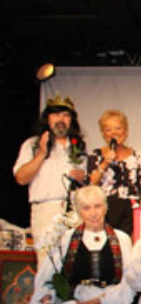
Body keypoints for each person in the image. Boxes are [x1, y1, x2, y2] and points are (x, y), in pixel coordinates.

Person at [13, 95, 87, 264]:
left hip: (75, 211)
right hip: (46, 210)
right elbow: (21, 178)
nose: (61, 120)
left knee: (75, 263)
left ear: (71, 120)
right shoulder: (32, 144)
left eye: (66, 115)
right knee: (48, 265)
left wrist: (82, 178)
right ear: (47, 119)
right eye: (56, 115)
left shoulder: (79, 146)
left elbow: (86, 182)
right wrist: (41, 153)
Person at [87, 110, 141, 239]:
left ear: (125, 131)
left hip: (130, 209)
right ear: (104, 133)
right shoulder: (96, 155)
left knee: (128, 248)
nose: (114, 133)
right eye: (108, 129)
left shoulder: (136, 155)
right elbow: (92, 183)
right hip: (105, 208)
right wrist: (105, 162)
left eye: (118, 128)